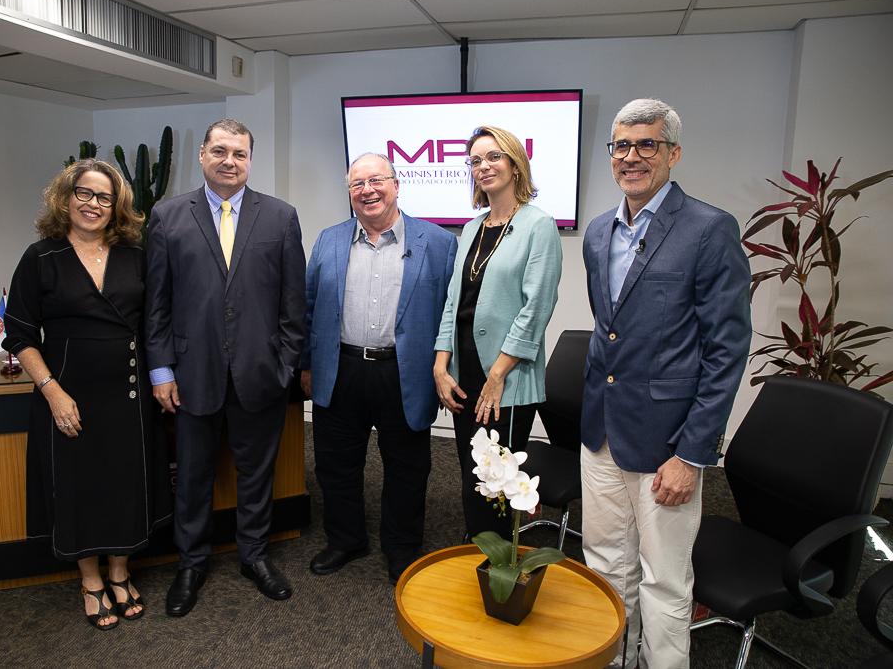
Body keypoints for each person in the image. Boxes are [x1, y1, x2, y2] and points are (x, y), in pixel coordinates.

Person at [580, 98, 752, 668]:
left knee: (664, 581)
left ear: (673, 153)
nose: (631, 157)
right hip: (602, 432)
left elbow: (725, 351)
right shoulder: (598, 233)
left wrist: (692, 454)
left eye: (646, 144)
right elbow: (609, 330)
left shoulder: (709, 229)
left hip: (667, 444)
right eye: (621, 146)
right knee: (604, 566)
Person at [3, 159, 172, 631]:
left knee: (124, 485)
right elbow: (19, 334)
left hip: (129, 393)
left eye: (104, 197)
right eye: (85, 193)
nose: (93, 204)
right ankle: (90, 580)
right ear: (66, 197)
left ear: (116, 207)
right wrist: (52, 392)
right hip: (68, 394)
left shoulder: (135, 255)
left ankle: (119, 572)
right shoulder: (41, 257)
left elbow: (155, 321)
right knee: (79, 489)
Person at [145, 118, 306, 615]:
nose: (229, 161)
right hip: (191, 375)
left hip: (260, 374)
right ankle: (190, 564)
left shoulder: (280, 217)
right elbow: (157, 304)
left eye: (239, 153)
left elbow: (293, 305)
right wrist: (161, 370)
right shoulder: (168, 216)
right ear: (202, 155)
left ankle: (253, 556)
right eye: (220, 151)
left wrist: (285, 366)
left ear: (250, 160)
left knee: (256, 474)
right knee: (193, 476)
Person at [301, 154, 457, 585]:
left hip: (404, 372)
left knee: (407, 466)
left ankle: (401, 547)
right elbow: (309, 307)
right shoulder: (329, 240)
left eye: (376, 181)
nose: (367, 190)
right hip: (341, 368)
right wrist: (307, 365)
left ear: (396, 184)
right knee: (335, 463)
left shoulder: (438, 243)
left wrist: (446, 371)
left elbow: (451, 314)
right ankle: (345, 539)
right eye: (357, 184)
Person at [433, 126, 562, 540]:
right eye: (475, 160)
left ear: (514, 164)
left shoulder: (539, 225)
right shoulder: (472, 228)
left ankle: (499, 563)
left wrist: (497, 374)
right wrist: (440, 365)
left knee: (500, 479)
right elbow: (454, 301)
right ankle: (479, 551)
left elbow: (535, 309)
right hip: (464, 370)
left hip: (505, 375)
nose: (483, 166)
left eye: (493, 156)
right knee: (473, 472)